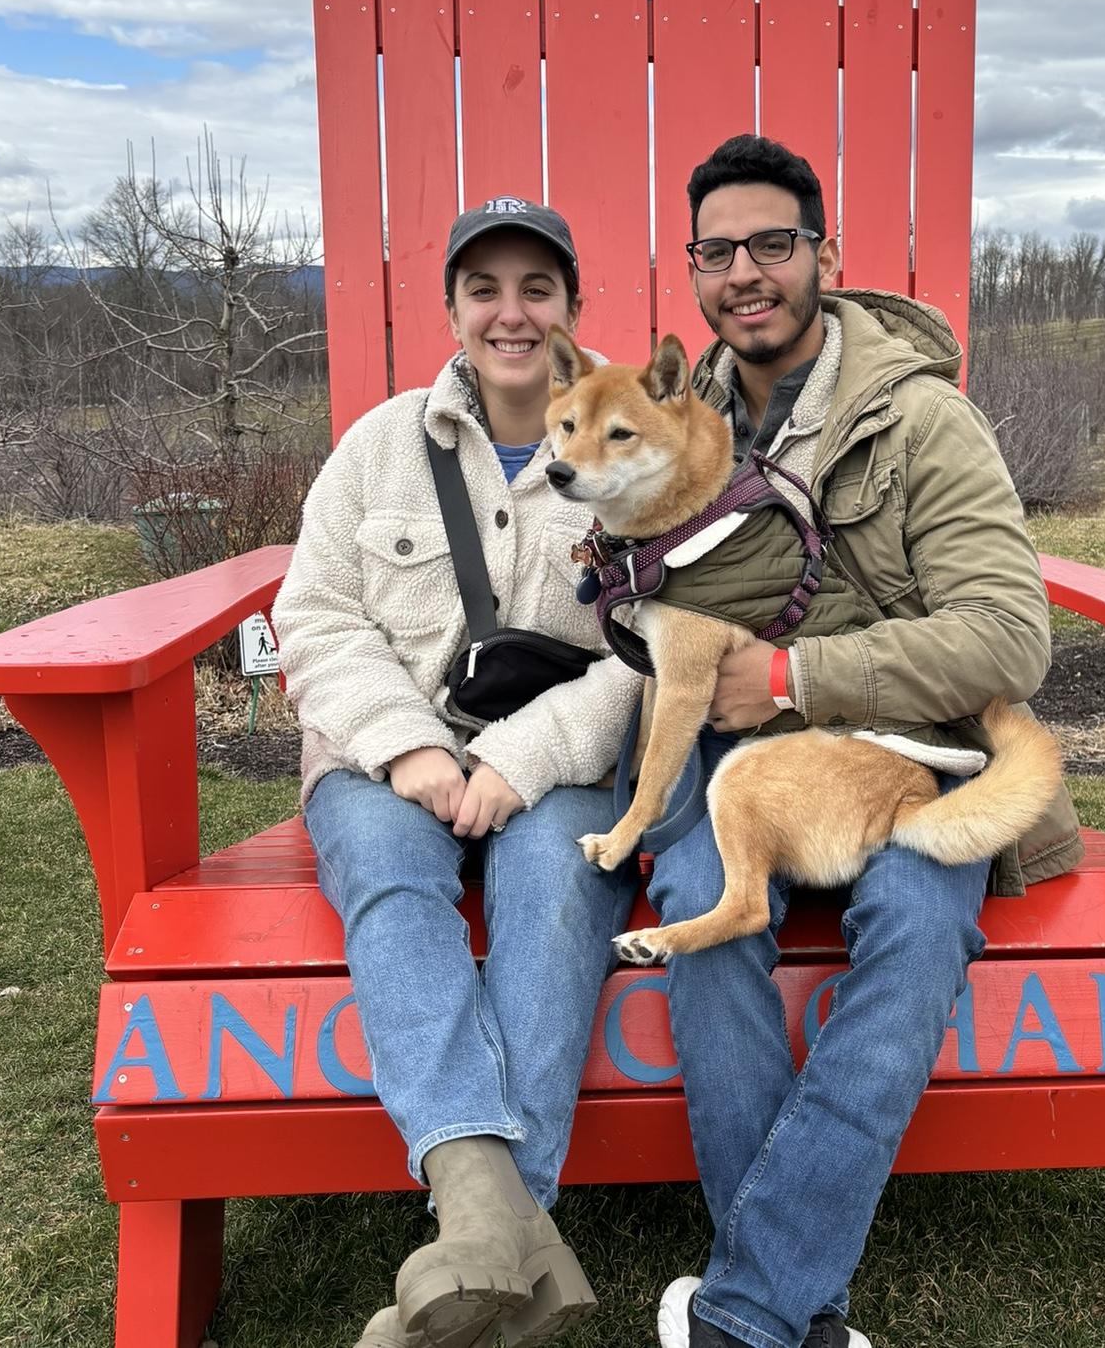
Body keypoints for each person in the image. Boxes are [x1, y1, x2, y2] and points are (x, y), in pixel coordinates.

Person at [646, 135, 1085, 1348]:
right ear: (693, 271)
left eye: (772, 244)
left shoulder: (922, 422)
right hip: (747, 770)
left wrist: (796, 674)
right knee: (695, 895)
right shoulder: (686, 423)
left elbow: (1008, 638)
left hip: (916, 758)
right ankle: (792, 1308)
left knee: (920, 920)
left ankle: (747, 1309)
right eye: (717, 250)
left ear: (824, 256)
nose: (746, 272)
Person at [273, 197, 644, 1348]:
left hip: (558, 759)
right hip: (384, 754)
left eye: (538, 288)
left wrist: (521, 759)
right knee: (389, 878)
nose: (512, 312)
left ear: (572, 310)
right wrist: (415, 749)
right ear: (453, 311)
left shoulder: (628, 450)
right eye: (485, 289)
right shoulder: (381, 447)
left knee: (555, 886)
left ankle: (485, 1254)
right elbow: (318, 615)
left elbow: (653, 647)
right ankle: (501, 1216)